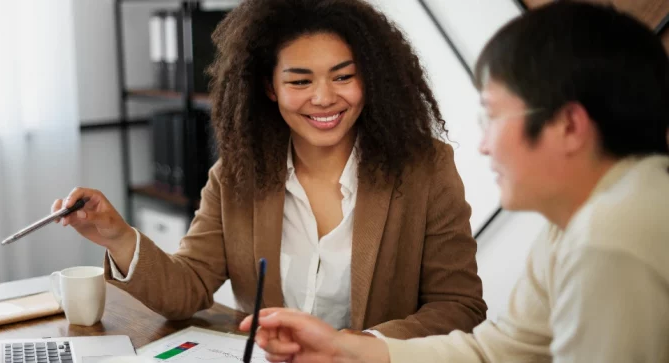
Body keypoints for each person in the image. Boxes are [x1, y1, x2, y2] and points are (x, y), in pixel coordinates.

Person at [240, 2, 669, 362]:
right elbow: (499, 350)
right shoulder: (579, 223)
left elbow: (463, 311)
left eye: (493, 117)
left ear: (569, 125)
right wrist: (340, 348)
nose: (483, 145)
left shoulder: (608, 238)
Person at [52, 0, 488, 339]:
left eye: (342, 77)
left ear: (370, 79)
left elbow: (458, 304)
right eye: (300, 81)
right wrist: (118, 236)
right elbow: (187, 289)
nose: (323, 98)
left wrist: (359, 347)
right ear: (269, 88)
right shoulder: (236, 176)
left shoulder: (425, 169)